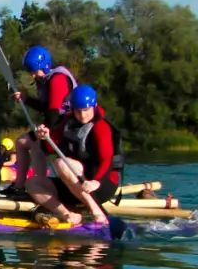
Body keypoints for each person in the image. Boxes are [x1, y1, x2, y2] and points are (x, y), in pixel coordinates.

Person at [24, 85, 124, 226]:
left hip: (101, 185)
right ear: (73, 109)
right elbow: (50, 146)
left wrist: (96, 181)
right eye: (78, 111)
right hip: (74, 185)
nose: (82, 115)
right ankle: (68, 215)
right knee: (32, 183)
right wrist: (44, 136)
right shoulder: (68, 121)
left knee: (61, 164)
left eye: (86, 110)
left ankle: (97, 212)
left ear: (94, 106)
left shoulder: (101, 127)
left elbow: (107, 159)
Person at [9, 46, 78, 197]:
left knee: (32, 143)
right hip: (58, 122)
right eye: (30, 72)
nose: (33, 76)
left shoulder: (58, 79)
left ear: (44, 66)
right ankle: (20, 186)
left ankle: (38, 186)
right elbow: (46, 107)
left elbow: (53, 112)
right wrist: (26, 99)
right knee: (23, 142)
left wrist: (44, 133)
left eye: (34, 71)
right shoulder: (47, 80)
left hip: (67, 126)